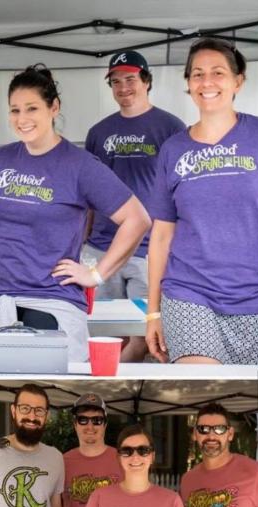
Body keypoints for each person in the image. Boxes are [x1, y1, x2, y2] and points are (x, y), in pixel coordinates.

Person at [0, 64, 151, 362]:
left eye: (31, 108)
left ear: (54, 108)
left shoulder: (80, 165)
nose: (22, 119)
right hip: (2, 302)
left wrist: (96, 274)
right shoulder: (1, 158)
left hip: (54, 303)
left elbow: (137, 219)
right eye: (15, 110)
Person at [147, 38, 258, 365]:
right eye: (197, 74)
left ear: (238, 81)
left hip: (257, 296)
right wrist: (153, 313)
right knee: (202, 388)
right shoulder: (173, 150)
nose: (206, 82)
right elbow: (160, 236)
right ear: (188, 83)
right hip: (190, 294)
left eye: (218, 73)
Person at [83, 50, 185, 362]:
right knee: (103, 333)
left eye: (130, 79)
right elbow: (86, 195)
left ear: (146, 81)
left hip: (148, 251)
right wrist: (80, 242)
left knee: (146, 334)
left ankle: (110, 385)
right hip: (101, 250)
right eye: (116, 82)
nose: (123, 87)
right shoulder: (98, 133)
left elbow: (183, 193)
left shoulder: (171, 128)